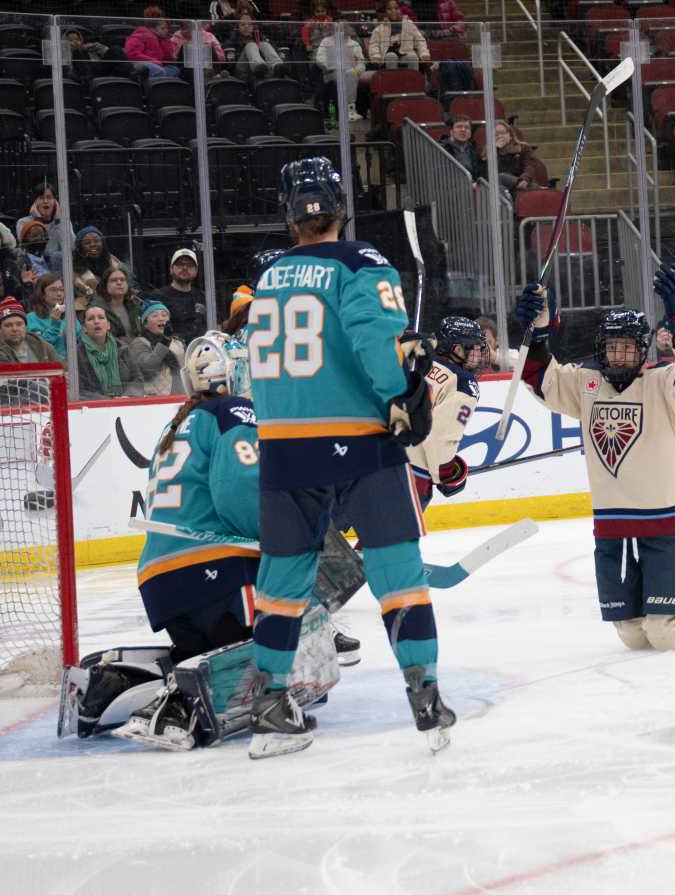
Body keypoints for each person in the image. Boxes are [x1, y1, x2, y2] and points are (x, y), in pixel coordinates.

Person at [62, 330, 355, 750]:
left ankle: (111, 686)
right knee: (289, 635)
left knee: (203, 656)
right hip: (217, 570)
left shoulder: (178, 421)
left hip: (164, 579)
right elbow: (237, 489)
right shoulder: (234, 411)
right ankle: (177, 706)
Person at [245, 156, 447, 760]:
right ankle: (424, 693)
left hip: (282, 445)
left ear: (290, 214)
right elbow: (373, 340)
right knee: (397, 571)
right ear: (339, 205)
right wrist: (401, 397)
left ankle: (269, 703)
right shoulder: (360, 262)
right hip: (357, 440)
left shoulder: (269, 275)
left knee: (281, 583)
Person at [514, 265, 675, 654]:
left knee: (664, 634)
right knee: (634, 636)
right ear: (601, 347)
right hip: (614, 528)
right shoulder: (585, 385)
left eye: (627, 347)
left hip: (668, 523)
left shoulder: (663, 383)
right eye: (612, 346)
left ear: (643, 350)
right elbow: (539, 379)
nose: (618, 355)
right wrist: (538, 331)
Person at [405, 317, 483, 512]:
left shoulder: (413, 358)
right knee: (390, 541)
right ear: (457, 349)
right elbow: (439, 438)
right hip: (408, 474)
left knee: (324, 533)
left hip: (364, 456)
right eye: (473, 348)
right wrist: (447, 474)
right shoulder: (463, 383)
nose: (479, 355)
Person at [76, 305, 142, 400]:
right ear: (84, 328)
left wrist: (128, 396)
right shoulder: (78, 354)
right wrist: (108, 401)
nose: (96, 321)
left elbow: (137, 379)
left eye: (101, 318)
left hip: (125, 404)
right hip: (94, 408)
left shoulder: (123, 348)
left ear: (108, 325)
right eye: (91, 319)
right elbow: (80, 390)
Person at [0, 297, 63, 366]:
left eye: (19, 324)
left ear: (25, 326)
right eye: (8, 325)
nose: (15, 329)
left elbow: (63, 368)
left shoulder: (39, 344)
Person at [125, 303, 185, 395]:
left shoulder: (178, 343)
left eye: (164, 315)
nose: (161, 318)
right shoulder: (139, 343)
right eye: (155, 315)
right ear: (145, 324)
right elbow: (147, 369)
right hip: (152, 399)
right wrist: (164, 342)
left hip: (178, 397)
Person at [316, 21, 370, 121]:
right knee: (347, 74)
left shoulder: (354, 44)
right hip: (332, 73)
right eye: (340, 28)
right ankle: (348, 110)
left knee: (350, 74)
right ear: (333, 29)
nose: (343, 30)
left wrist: (357, 70)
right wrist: (332, 68)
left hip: (352, 73)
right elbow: (320, 59)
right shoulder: (326, 41)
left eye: (345, 27)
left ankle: (350, 109)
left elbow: (361, 62)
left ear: (349, 29)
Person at [152, 248, 208, 344]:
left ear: (196, 270)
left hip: (202, 353)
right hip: (170, 354)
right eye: (180, 264)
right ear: (171, 269)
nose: (185, 268)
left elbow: (216, 328)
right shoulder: (157, 297)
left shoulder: (204, 297)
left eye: (190, 265)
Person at [72, 225, 131, 308]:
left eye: (96, 241)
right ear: (80, 248)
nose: (93, 244)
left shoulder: (116, 264)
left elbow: (131, 286)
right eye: (87, 243)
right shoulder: (72, 271)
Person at [16, 182, 70, 269]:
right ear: (35, 202)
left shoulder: (62, 222)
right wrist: (38, 221)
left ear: (55, 202)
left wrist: (58, 222)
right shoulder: (23, 222)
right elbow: (32, 251)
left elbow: (71, 247)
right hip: (34, 268)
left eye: (49, 198)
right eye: (41, 198)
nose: (45, 201)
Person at [27, 273, 80, 360]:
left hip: (72, 366)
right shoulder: (32, 318)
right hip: (48, 367)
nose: (59, 294)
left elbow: (81, 341)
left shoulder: (69, 315)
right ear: (42, 294)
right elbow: (39, 348)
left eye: (61, 290)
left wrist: (73, 332)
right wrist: (54, 326)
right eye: (53, 290)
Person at [368, 0, 430, 71]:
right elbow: (374, 44)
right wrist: (376, 56)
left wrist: (424, 53)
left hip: (406, 51)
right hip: (387, 53)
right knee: (391, 56)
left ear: (401, 10)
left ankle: (413, 80)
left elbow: (420, 41)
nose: (393, 11)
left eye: (396, 8)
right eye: (389, 9)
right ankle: (392, 80)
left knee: (412, 56)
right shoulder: (380, 28)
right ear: (385, 12)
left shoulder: (409, 24)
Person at [488, 119, 545, 194]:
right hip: (502, 189)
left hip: (523, 184)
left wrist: (525, 179)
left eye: (502, 133)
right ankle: (535, 188)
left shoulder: (523, 148)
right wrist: (496, 151)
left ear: (510, 135)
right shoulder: (488, 154)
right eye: (496, 134)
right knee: (500, 177)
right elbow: (490, 175)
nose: (500, 136)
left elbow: (530, 166)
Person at [90, 266, 144, 345]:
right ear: (105, 286)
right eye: (113, 280)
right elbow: (102, 338)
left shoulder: (134, 306)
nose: (119, 283)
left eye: (122, 280)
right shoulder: (97, 309)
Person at [225, 13, 284, 82]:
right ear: (238, 27)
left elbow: (274, 50)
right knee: (251, 45)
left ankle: (278, 66)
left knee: (264, 44)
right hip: (242, 71)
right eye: (243, 24)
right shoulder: (232, 40)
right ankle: (259, 67)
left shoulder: (260, 37)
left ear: (253, 27)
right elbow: (229, 64)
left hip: (266, 69)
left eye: (249, 24)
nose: (246, 27)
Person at [125, 7, 180, 79]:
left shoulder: (161, 39)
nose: (166, 30)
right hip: (141, 64)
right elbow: (132, 53)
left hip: (158, 65)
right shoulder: (141, 34)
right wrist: (155, 62)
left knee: (175, 70)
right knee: (160, 71)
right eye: (163, 28)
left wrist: (166, 40)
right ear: (153, 28)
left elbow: (167, 58)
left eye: (167, 28)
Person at [439, 114, 483, 180]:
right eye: (459, 127)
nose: (463, 130)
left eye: (467, 127)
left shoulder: (473, 149)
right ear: (451, 131)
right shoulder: (441, 149)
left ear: (470, 133)